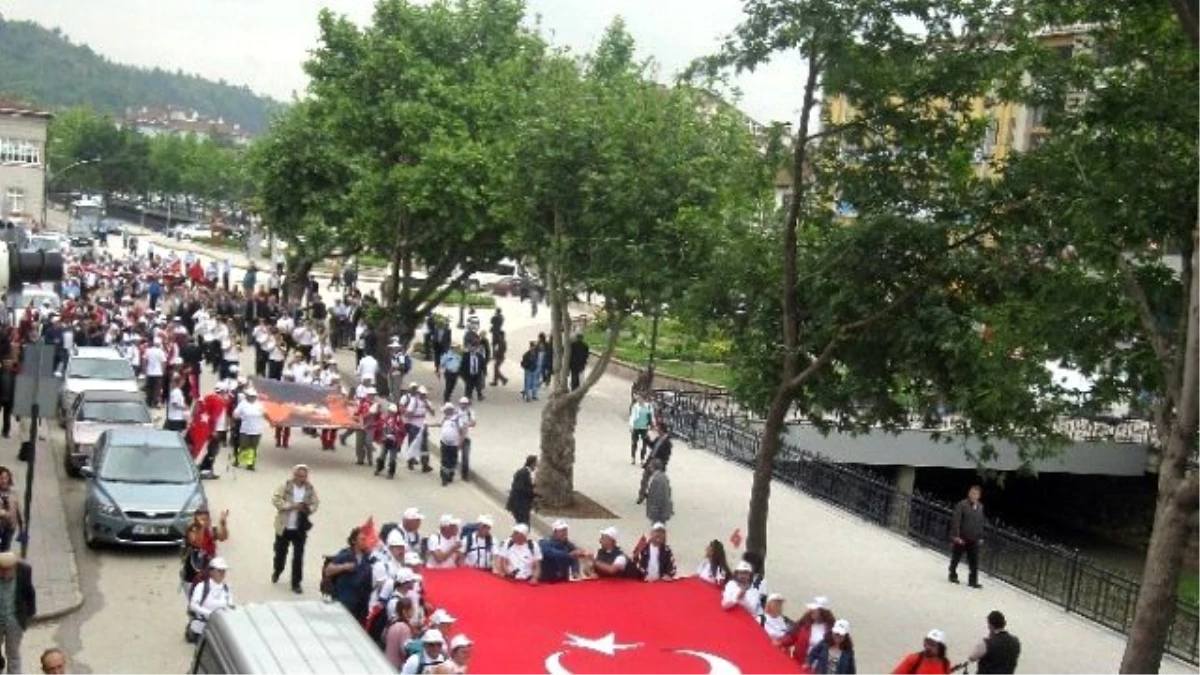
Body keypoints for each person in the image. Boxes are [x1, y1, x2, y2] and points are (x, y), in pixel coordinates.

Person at [271, 465, 320, 594]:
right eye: (299, 476)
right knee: (280, 553)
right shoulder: (285, 486)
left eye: (304, 476)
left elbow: (315, 503)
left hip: (299, 528)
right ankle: (278, 570)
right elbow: (275, 500)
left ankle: (296, 582)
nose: (301, 479)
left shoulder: (309, 489)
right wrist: (291, 506)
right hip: (284, 526)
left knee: (298, 556)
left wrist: (308, 509)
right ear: (294, 475)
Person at [324, 526, 375, 623]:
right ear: (354, 541)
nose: (365, 541)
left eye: (366, 539)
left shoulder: (368, 557)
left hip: (361, 604)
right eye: (362, 539)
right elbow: (328, 570)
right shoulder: (345, 555)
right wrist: (343, 567)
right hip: (344, 601)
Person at [0, 551, 36, 675]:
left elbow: (30, 593)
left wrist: (29, 615)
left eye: (7, 570)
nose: (4, 573)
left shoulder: (24, 571)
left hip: (15, 620)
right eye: (1, 570)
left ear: (14, 567)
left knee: (13, 654)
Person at [186, 557, 234, 643]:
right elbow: (193, 606)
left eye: (224, 571)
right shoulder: (201, 586)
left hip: (219, 627)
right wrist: (210, 614)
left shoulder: (227, 588)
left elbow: (230, 605)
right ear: (211, 572)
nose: (222, 573)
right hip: (201, 629)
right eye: (219, 570)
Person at [181, 508, 229, 590]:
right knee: (194, 599)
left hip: (209, 570)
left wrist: (223, 523)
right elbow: (197, 543)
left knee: (209, 598)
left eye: (207, 519)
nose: (205, 521)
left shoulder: (210, 530)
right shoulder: (191, 530)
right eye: (202, 519)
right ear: (195, 519)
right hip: (193, 572)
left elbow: (223, 537)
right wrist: (201, 527)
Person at [949, 485, 986, 589]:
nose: (974, 495)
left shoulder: (980, 507)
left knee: (974, 561)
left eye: (976, 494)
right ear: (969, 493)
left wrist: (981, 536)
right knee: (956, 557)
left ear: (979, 496)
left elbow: (980, 523)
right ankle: (952, 574)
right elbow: (956, 520)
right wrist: (956, 535)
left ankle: (973, 581)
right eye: (972, 493)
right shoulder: (962, 505)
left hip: (974, 538)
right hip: (962, 536)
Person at [637, 423, 673, 504]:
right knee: (645, 478)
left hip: (658, 462)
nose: (657, 430)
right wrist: (647, 440)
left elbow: (667, 454)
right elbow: (652, 446)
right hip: (651, 460)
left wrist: (663, 463)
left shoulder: (667, 441)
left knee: (656, 480)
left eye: (658, 428)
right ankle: (642, 495)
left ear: (662, 430)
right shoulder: (658, 438)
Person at [233, 387, 266, 470]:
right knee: (244, 446)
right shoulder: (242, 404)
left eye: (253, 396)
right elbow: (235, 413)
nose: (251, 398)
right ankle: (238, 460)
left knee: (253, 447)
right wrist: (237, 416)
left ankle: (250, 464)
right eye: (250, 396)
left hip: (257, 429)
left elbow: (265, 414)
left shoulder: (260, 404)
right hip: (245, 429)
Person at [506, 455, 537, 525]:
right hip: (520, 506)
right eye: (535, 465)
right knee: (524, 526)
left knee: (522, 525)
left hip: (519, 506)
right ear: (532, 464)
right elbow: (521, 488)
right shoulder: (524, 473)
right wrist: (534, 492)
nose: (536, 467)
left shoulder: (524, 472)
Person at [438, 403, 464, 487]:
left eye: (446, 410)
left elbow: (461, 431)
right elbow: (439, 425)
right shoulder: (444, 418)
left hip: (454, 444)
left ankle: (450, 475)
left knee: (452, 460)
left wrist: (460, 442)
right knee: (444, 460)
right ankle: (444, 478)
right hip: (444, 442)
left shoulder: (457, 419)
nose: (445, 412)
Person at [644, 460, 674, 525]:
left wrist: (654, 512)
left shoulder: (656, 479)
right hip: (663, 510)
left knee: (657, 529)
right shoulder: (663, 476)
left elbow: (658, 497)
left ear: (652, 467)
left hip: (659, 513)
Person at [0, 468, 23, 553]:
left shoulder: (13, 492)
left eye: (6, 478)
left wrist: (22, 529)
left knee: (6, 549)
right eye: (1, 478)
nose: (4, 481)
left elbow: (19, 510)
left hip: (9, 527)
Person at [628, 394, 654, 464]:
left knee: (644, 444)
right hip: (636, 427)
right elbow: (632, 416)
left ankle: (642, 459)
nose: (639, 400)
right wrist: (631, 425)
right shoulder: (635, 407)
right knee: (634, 442)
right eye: (638, 399)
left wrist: (652, 425)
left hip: (644, 427)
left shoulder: (648, 406)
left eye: (640, 399)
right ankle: (633, 458)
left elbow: (651, 416)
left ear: (644, 399)